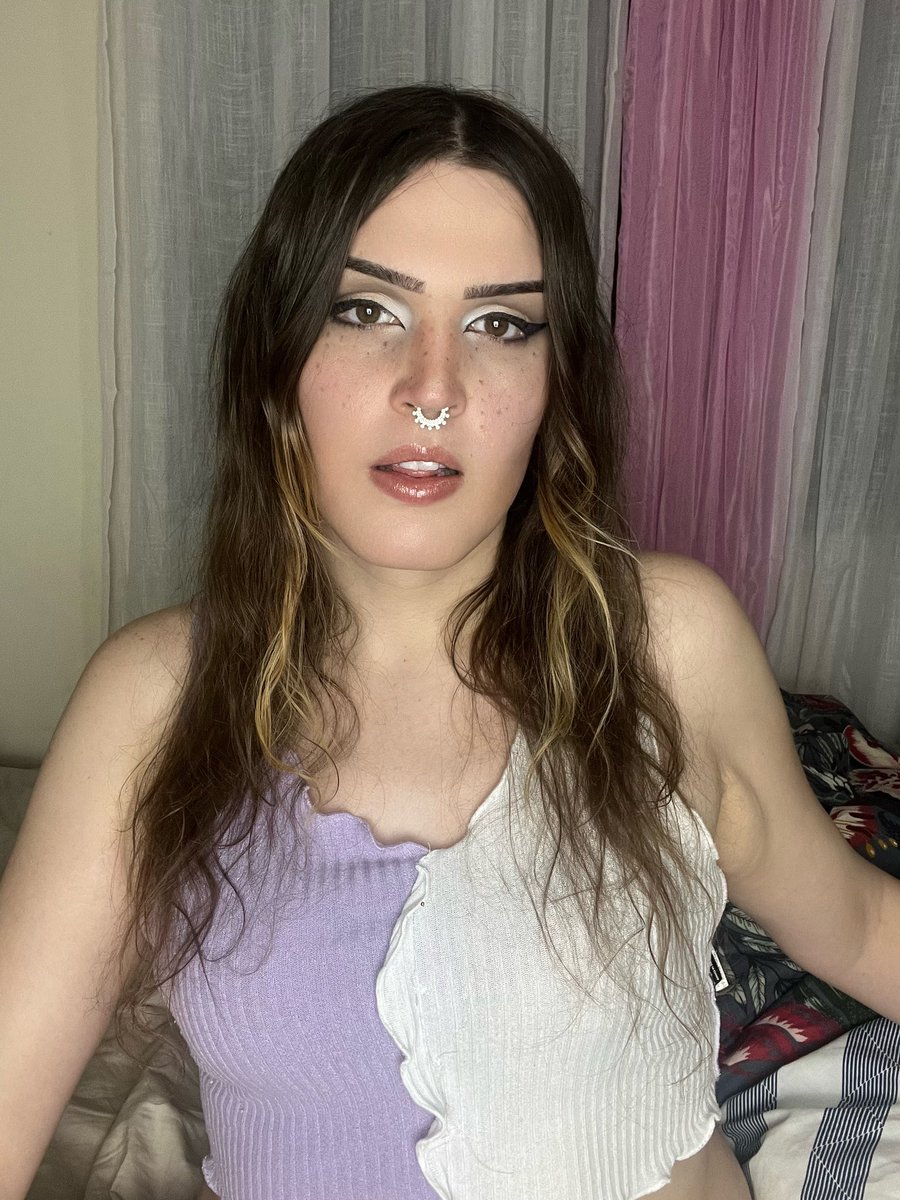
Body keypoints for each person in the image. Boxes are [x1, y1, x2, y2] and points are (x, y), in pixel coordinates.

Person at [1, 82, 897, 1200]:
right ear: (278, 358)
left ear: (556, 383)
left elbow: (859, 925)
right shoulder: (154, 702)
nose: (432, 392)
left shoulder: (666, 645)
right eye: (366, 311)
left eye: (500, 325)